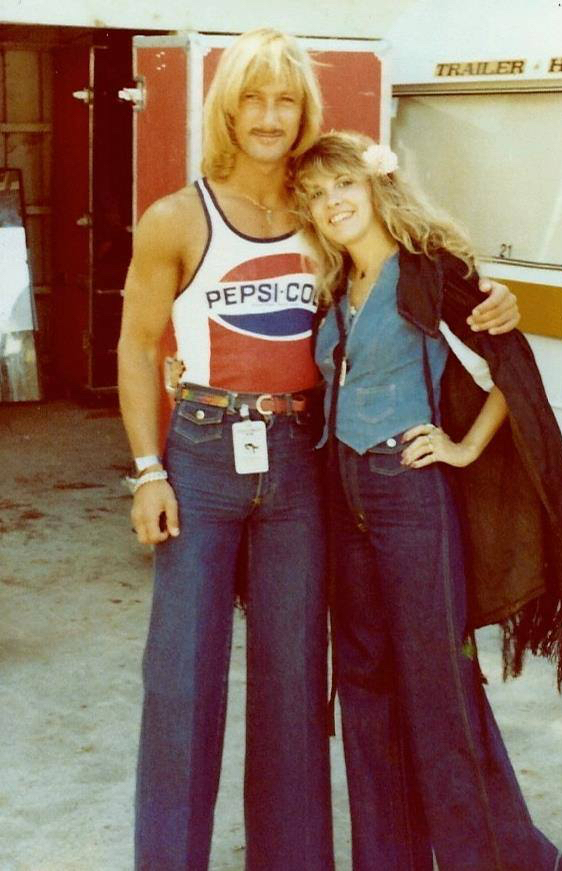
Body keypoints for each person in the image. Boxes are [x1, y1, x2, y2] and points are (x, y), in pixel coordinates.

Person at [117, 28, 522, 871]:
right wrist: (148, 469)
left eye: (285, 100)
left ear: (304, 112)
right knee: (181, 680)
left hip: (303, 458)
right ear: (226, 111)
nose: (269, 117)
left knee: (295, 680)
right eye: (252, 99)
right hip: (202, 453)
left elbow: (406, 258)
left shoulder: (319, 217)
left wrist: (492, 296)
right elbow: (137, 344)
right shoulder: (177, 217)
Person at [293, 131, 562, 871]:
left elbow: (509, 368)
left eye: (343, 184)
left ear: (375, 185)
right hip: (343, 501)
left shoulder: (428, 271)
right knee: (362, 682)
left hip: (409, 494)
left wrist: (465, 446)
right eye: (317, 195)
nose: (332, 203)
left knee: (438, 684)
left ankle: (504, 860)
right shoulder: (334, 287)